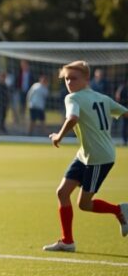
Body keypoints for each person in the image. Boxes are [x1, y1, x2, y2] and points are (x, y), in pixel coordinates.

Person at [43, 61, 128, 252]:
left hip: (99, 157)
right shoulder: (102, 98)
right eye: (66, 79)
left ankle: (120, 211)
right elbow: (125, 113)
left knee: (84, 204)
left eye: (74, 78)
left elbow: (72, 118)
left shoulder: (72, 98)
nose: (69, 82)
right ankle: (67, 241)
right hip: (85, 154)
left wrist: (58, 136)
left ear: (86, 79)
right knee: (62, 193)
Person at [115, 81, 128, 146]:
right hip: (125, 109)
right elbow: (118, 98)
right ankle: (124, 140)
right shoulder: (122, 88)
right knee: (124, 126)